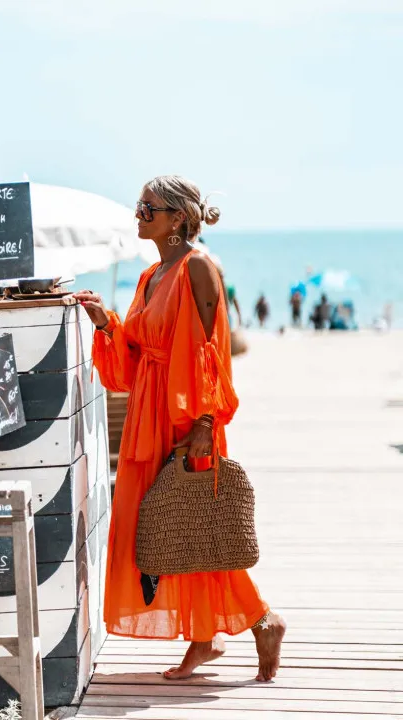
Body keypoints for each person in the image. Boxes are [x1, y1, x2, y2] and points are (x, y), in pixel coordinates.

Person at [74, 175, 286, 682]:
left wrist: (207, 421)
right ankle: (205, 638)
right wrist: (106, 324)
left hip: (185, 418)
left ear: (177, 217)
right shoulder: (150, 276)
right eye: (140, 205)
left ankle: (260, 620)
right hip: (148, 413)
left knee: (198, 525)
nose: (139, 213)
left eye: (148, 207)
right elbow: (128, 364)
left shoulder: (199, 269)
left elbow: (213, 353)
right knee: (166, 530)